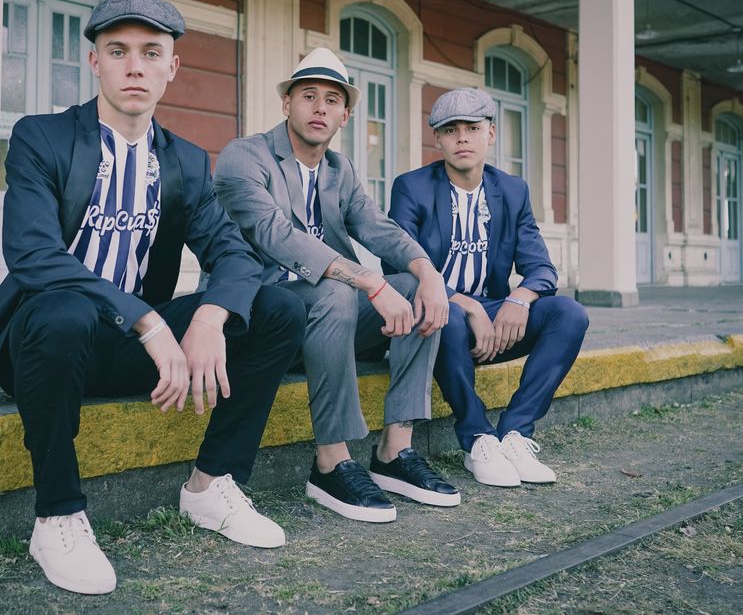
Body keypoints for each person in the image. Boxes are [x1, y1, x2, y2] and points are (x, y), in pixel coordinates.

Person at [0, 0, 305, 595]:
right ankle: (58, 516)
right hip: (48, 345)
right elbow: (33, 254)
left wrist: (208, 317)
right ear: (94, 63)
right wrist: (150, 324)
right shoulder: (41, 138)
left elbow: (233, 253)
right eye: (118, 51)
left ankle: (211, 485)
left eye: (151, 53)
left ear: (171, 68)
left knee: (281, 306)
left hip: (130, 356)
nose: (135, 66)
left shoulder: (183, 159)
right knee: (66, 311)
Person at [214, 47, 458, 524]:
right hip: (266, 319)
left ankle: (394, 451)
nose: (320, 108)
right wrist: (368, 280)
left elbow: (377, 227)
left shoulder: (338, 170)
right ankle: (331, 461)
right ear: (287, 103)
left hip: (333, 319)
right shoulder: (245, 155)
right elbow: (273, 234)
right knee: (338, 288)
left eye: (332, 100)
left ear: (345, 115)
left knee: (409, 287)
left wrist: (429, 274)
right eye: (309, 96)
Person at [388, 87, 589, 488]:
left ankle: (515, 434)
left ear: (490, 135)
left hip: (495, 318)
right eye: (451, 129)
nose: (462, 137)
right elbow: (396, 264)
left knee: (569, 314)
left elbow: (542, 270)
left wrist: (520, 298)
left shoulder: (512, 190)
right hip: (440, 319)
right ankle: (478, 437)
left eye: (472, 128)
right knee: (450, 316)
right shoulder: (412, 187)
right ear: (438, 139)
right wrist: (466, 304)